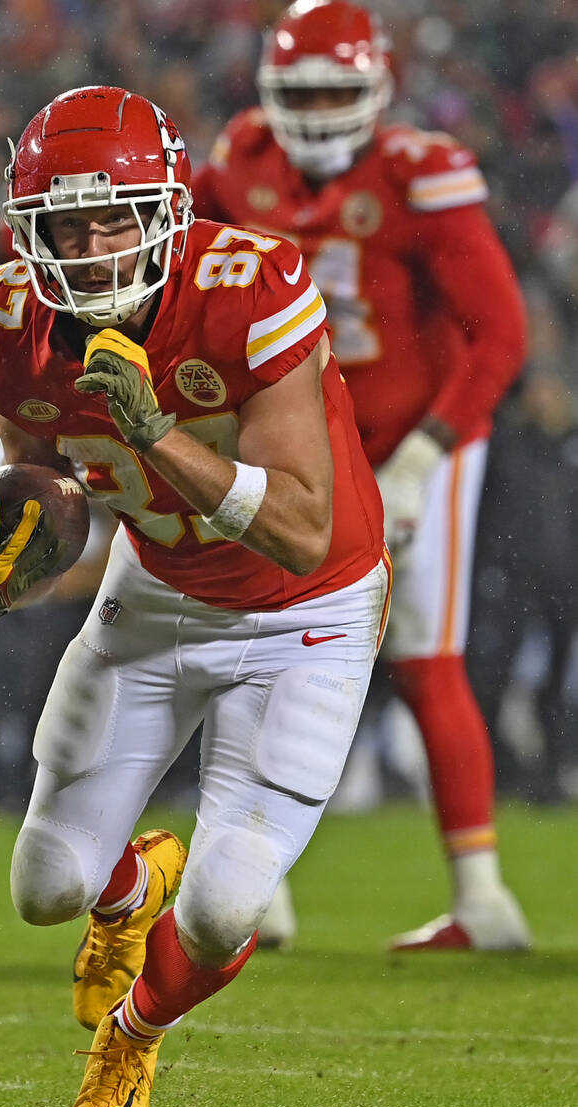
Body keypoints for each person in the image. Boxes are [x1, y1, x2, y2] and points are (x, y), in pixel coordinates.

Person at [0, 84, 389, 1107]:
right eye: (68, 222)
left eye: (116, 215)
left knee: (230, 904)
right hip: (152, 594)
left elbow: (296, 528)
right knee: (45, 886)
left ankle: (131, 1042)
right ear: (30, 230)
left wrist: (155, 434)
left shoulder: (252, 287)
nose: (95, 245)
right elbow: (52, 486)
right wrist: (18, 553)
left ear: (169, 206)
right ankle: (128, 891)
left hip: (306, 613)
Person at [191, 0, 531, 952]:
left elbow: (498, 335)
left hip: (416, 438)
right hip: (298, 447)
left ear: (377, 84)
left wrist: (425, 454)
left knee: (424, 654)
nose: (322, 107)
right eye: (304, 90)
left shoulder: (416, 172)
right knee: (248, 652)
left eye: (339, 87)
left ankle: (481, 896)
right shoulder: (239, 162)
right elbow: (170, 266)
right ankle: (251, 887)